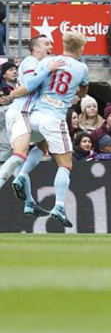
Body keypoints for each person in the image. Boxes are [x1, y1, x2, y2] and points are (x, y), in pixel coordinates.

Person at [7, 32, 89, 227]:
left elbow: (34, 85)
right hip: (54, 117)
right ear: (80, 49)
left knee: (39, 147)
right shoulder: (82, 67)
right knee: (65, 164)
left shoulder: (47, 62)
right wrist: (75, 89)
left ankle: (22, 177)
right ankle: (59, 206)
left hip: (33, 116)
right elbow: (84, 92)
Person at [0, 36, 59, 217]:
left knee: (36, 148)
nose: (51, 46)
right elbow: (31, 86)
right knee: (21, 155)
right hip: (20, 114)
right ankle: (21, 178)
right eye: (46, 43)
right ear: (35, 49)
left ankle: (29, 203)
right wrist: (49, 71)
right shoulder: (30, 62)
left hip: (26, 115)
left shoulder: (38, 64)